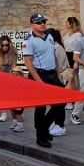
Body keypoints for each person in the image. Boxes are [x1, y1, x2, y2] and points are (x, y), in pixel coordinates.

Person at [22, 13, 65, 148]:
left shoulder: (50, 37)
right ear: (32, 24)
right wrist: (38, 80)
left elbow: (53, 56)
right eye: (39, 22)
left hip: (52, 73)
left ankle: (43, 127)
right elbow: (28, 62)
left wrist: (58, 73)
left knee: (61, 102)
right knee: (40, 107)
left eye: (43, 22)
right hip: (39, 74)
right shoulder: (29, 40)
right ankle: (40, 136)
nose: (42, 24)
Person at [45, 27, 71, 136]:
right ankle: (57, 124)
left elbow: (58, 65)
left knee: (58, 104)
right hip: (56, 78)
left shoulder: (57, 47)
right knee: (56, 103)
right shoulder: (54, 47)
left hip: (59, 78)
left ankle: (59, 125)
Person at [0, 35, 22, 128]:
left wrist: (13, 77)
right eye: (3, 45)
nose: (5, 47)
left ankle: (17, 112)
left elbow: (14, 65)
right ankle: (4, 112)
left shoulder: (13, 50)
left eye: (6, 45)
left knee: (11, 93)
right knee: (2, 93)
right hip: (1, 68)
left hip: (10, 68)